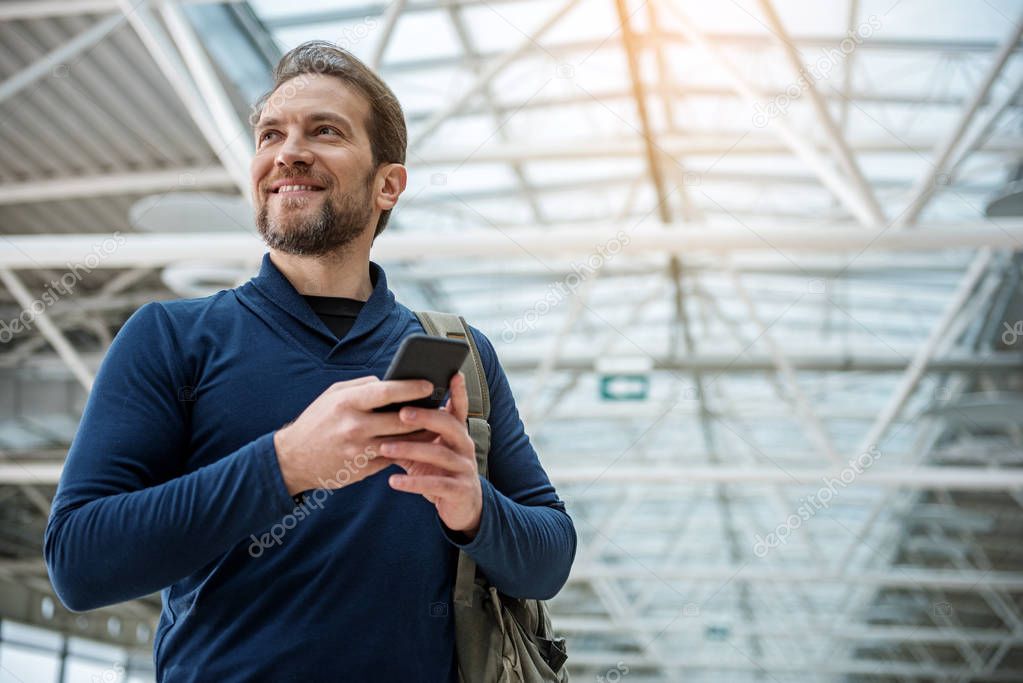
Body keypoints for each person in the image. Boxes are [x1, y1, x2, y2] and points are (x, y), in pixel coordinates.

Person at [44, 41, 577, 682]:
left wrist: (473, 505)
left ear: (389, 184)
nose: (287, 152)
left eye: (324, 131)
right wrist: (286, 463)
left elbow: (549, 559)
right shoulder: (170, 338)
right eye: (272, 133)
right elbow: (78, 563)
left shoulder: (463, 355)